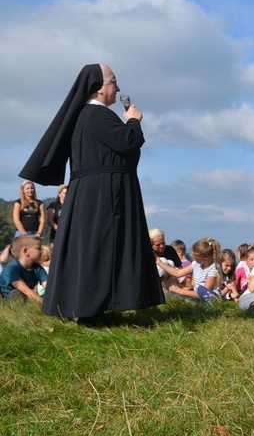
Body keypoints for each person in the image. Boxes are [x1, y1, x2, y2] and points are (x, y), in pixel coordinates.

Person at [19, 64, 164, 320]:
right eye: (113, 82)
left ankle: (89, 304)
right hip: (105, 193)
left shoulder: (83, 116)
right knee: (102, 246)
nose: (117, 88)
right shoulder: (98, 115)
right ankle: (93, 307)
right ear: (99, 87)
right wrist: (133, 120)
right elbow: (128, 141)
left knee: (90, 247)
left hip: (89, 190)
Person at [157, 238, 221, 302]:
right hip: (196, 295)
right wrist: (160, 263)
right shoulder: (197, 263)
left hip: (207, 299)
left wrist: (180, 291)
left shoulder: (213, 269)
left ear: (205, 258)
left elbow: (205, 294)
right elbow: (178, 273)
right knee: (170, 294)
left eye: (195, 257)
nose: (193, 258)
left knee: (176, 296)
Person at [0, 235, 48, 302]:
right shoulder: (11, 269)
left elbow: (47, 285)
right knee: (16, 293)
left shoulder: (37, 267)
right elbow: (25, 290)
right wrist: (42, 303)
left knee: (49, 295)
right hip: (10, 298)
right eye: (38, 248)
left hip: (28, 297)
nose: (41, 251)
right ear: (26, 251)